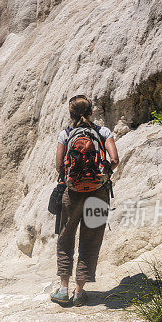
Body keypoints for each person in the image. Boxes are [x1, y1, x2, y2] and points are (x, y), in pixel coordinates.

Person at [50, 95, 119, 306]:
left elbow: (59, 166)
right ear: (91, 112)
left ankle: (63, 290)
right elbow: (114, 160)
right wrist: (102, 176)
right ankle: (79, 292)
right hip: (98, 193)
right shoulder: (102, 132)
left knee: (65, 237)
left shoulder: (66, 134)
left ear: (70, 115)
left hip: (72, 194)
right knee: (91, 240)